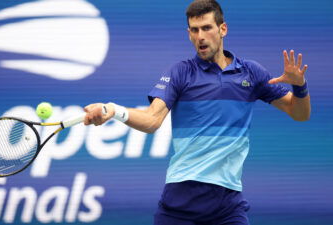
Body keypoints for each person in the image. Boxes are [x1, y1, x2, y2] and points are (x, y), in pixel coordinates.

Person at [83, 0, 311, 224]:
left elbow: (299, 113)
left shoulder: (251, 73)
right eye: (194, 30)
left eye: (206, 28)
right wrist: (113, 110)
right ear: (189, 33)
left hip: (227, 205)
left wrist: (299, 86)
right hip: (180, 202)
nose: (200, 36)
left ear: (223, 29)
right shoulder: (181, 72)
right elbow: (152, 120)